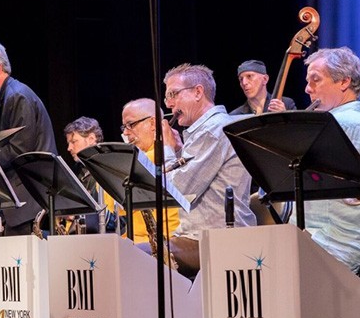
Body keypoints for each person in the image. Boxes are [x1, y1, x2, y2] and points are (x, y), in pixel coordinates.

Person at [293, 47, 360, 272]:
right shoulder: (333, 121)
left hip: (334, 241)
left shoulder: (348, 123)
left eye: (316, 80)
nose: (307, 88)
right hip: (317, 235)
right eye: (307, 81)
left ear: (344, 82)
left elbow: (354, 207)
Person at [161, 63, 255, 277]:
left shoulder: (214, 129)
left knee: (137, 258)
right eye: (168, 98)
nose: (169, 104)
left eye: (173, 94)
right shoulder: (203, 131)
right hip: (196, 235)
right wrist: (177, 151)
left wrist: (166, 148)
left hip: (217, 237)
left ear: (198, 92)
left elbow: (180, 190)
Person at [0, 41, 57, 235]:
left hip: (29, 200)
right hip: (22, 201)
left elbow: (19, 150)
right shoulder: (9, 96)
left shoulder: (17, 96)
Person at [120, 98, 180, 244]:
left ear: (153, 123)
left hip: (159, 241)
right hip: (137, 240)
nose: (126, 133)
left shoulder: (152, 158)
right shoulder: (148, 156)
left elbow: (116, 205)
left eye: (131, 125)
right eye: (124, 127)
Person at [63, 116, 121, 234]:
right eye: (68, 143)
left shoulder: (109, 168)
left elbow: (115, 220)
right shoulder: (77, 170)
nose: (69, 148)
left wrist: (79, 213)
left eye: (74, 142)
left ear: (91, 139)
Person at [229, 59, 297, 115]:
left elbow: (298, 130)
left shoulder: (286, 104)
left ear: (265, 79)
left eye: (249, 76)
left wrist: (285, 116)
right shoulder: (235, 115)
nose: (244, 83)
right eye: (241, 79)